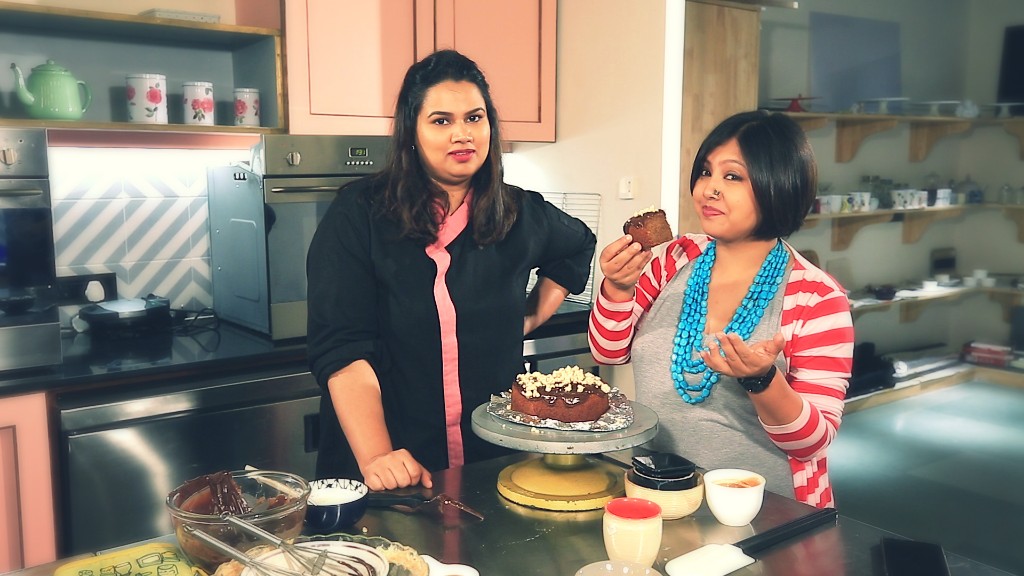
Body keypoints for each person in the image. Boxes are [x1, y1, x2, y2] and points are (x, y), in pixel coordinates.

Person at [307, 50, 596, 491]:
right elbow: (344, 350)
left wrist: (533, 314)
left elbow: (577, 244)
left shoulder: (520, 212)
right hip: (391, 462)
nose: (462, 134)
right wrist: (380, 455)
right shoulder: (359, 213)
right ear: (413, 132)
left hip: (491, 459)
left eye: (474, 118)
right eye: (441, 120)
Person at [589, 110, 853, 508]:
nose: (709, 189)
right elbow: (609, 352)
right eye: (706, 172)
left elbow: (810, 444)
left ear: (779, 185)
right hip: (656, 488)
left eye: (732, 176)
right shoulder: (672, 259)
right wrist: (618, 287)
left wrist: (762, 380)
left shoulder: (817, 297)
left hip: (765, 507)